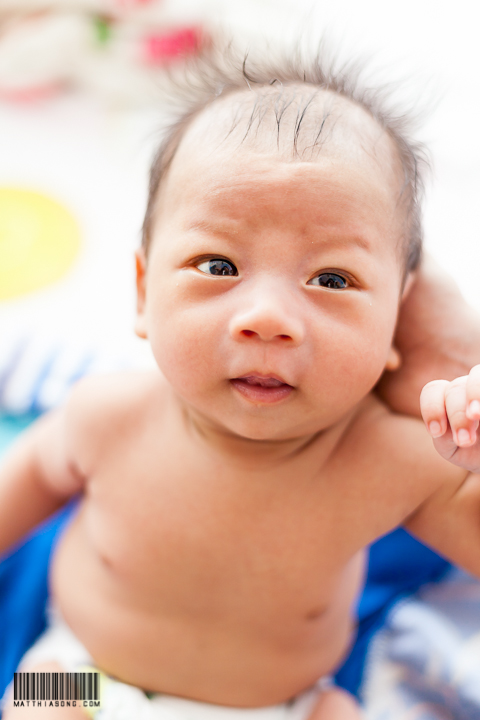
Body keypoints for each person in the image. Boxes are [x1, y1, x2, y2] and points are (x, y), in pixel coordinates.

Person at [2, 48, 480, 719]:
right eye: (218, 264)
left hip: (284, 706)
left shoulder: (394, 461)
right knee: (31, 702)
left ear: (399, 317)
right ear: (144, 293)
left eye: (333, 280)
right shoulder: (105, 415)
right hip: (87, 674)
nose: (267, 318)